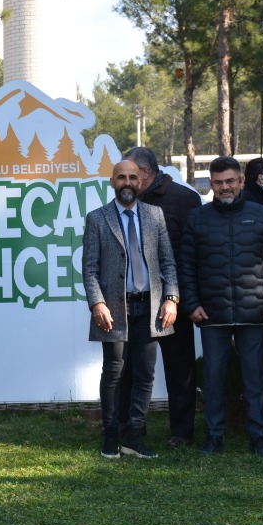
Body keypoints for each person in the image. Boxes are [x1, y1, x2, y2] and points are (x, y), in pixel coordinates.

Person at [179, 156, 263, 455]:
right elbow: (185, 266)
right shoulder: (198, 218)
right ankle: (214, 436)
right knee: (213, 379)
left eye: (230, 181)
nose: (225, 187)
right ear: (211, 185)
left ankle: (258, 436)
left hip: (253, 311)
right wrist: (191, 304)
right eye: (218, 183)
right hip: (211, 313)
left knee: (255, 377)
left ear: (241, 182)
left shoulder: (261, 215)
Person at [83, 158, 179, 459]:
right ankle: (111, 435)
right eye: (121, 177)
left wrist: (171, 297)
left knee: (145, 374)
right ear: (112, 182)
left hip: (150, 308)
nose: (127, 182)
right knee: (113, 372)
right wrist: (97, 302)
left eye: (133, 177)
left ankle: (135, 436)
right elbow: (89, 269)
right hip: (113, 309)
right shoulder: (97, 218)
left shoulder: (155, 216)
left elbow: (167, 262)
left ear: (141, 182)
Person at [126, 146, 203, 447]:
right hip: (136, 299)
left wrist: (179, 297)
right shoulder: (127, 200)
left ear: (144, 172)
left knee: (179, 367)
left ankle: (182, 433)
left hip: (173, 299)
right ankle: (131, 428)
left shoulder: (185, 200)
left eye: (131, 174)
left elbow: (192, 253)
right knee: (132, 367)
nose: (125, 180)